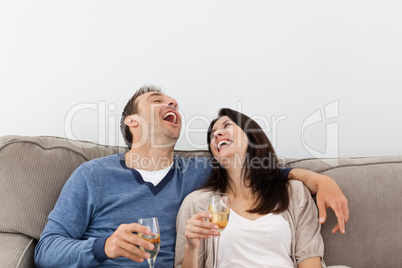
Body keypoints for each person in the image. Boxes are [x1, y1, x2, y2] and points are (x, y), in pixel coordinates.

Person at [34, 85, 349, 267]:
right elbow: (46, 251)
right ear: (132, 121)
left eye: (174, 102)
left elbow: (256, 172)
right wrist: (103, 247)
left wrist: (319, 179)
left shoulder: (200, 174)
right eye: (157, 100)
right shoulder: (92, 176)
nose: (172, 102)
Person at [175, 108, 327, 267]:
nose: (217, 135)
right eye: (212, 135)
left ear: (252, 135)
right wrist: (191, 246)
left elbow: (310, 258)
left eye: (227, 126)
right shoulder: (197, 203)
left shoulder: (294, 192)